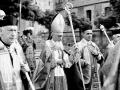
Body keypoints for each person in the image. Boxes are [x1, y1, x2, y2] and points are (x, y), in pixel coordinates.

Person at [33, 13, 73, 90]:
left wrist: (73, 57)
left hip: (61, 75)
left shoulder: (61, 46)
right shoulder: (47, 46)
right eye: (59, 36)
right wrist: (57, 61)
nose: (61, 38)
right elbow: (43, 65)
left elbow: (67, 63)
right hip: (51, 76)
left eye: (62, 36)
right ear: (52, 34)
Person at [69, 22, 104, 90]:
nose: (90, 35)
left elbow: (101, 60)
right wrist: (84, 63)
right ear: (82, 34)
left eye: (91, 33)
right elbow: (72, 60)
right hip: (83, 74)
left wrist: (97, 54)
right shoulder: (78, 46)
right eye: (87, 33)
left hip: (94, 74)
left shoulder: (94, 45)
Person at [0, 15, 29, 90]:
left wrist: (25, 70)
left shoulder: (18, 48)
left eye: (15, 30)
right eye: (10, 30)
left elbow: (24, 66)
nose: (13, 34)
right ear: (0, 32)